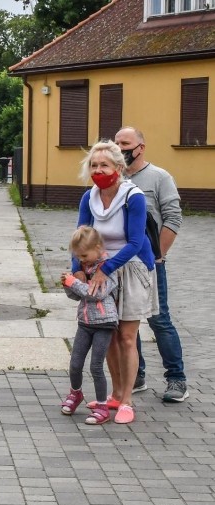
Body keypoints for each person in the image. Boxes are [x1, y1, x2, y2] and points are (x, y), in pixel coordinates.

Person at [73, 140, 157, 425]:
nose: (98, 170)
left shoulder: (133, 197)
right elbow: (80, 236)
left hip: (130, 267)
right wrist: (78, 270)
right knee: (106, 333)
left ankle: (128, 401)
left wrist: (103, 270)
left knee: (127, 337)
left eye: (104, 165)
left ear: (119, 168)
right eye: (94, 165)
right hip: (99, 269)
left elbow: (135, 242)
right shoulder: (90, 198)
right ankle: (115, 394)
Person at [114, 126, 187, 402]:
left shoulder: (158, 177)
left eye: (126, 143)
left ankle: (177, 379)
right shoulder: (114, 178)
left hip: (149, 262)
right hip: (120, 263)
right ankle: (137, 376)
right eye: (117, 143)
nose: (121, 148)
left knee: (159, 320)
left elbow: (173, 218)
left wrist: (158, 255)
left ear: (140, 148)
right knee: (126, 322)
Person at [60, 227, 118, 425]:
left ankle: (102, 406)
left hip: (104, 323)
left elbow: (96, 294)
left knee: (95, 366)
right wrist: (68, 285)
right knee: (75, 363)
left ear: (98, 248)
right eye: (79, 257)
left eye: (84, 255)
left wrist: (74, 284)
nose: (82, 260)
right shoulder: (85, 268)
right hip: (85, 322)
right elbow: (79, 295)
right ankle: (75, 393)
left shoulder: (108, 268)